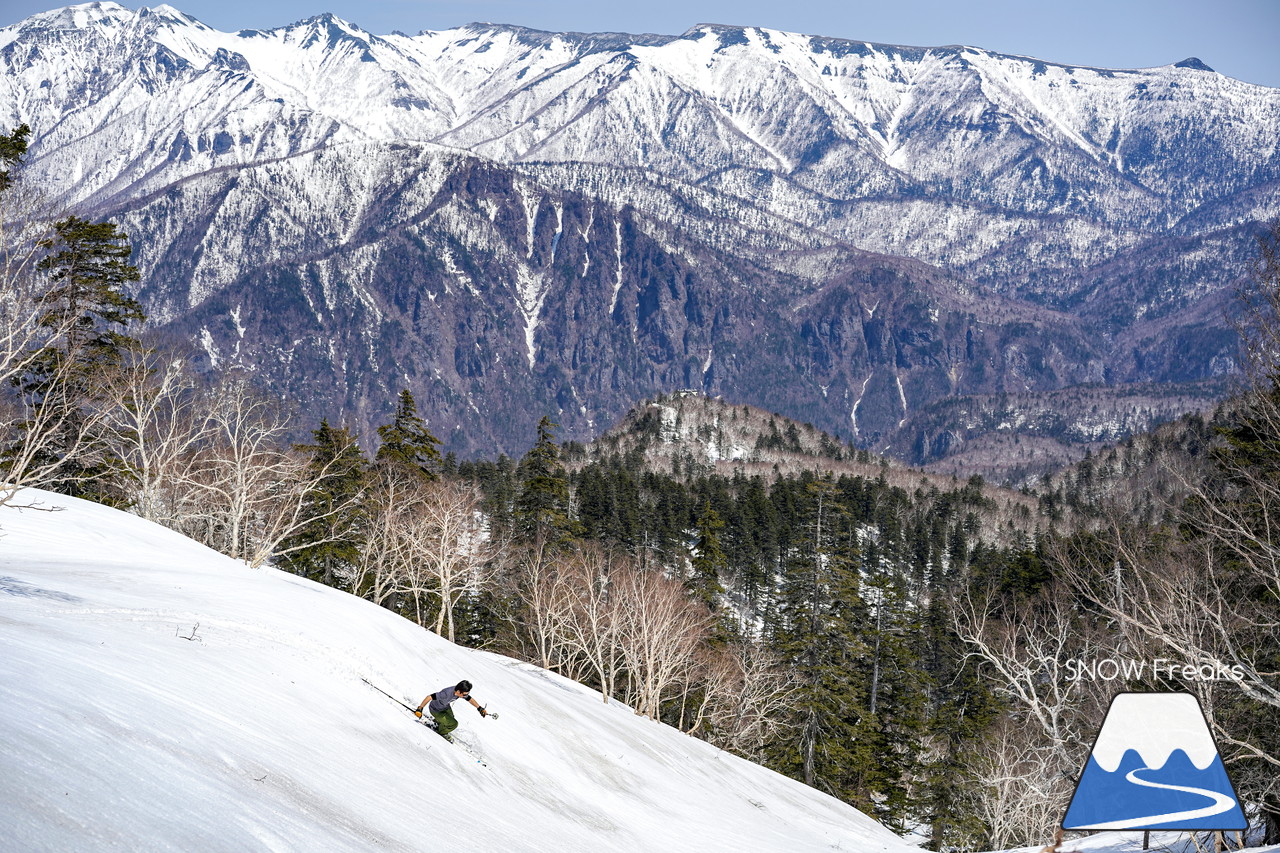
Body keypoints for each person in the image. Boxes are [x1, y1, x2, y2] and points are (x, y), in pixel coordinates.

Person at [415, 680, 487, 742]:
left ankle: (437, 722)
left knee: (451, 718)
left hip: (445, 707)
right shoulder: (446, 694)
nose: (466, 695)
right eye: (465, 694)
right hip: (436, 710)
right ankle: (441, 732)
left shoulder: (459, 692)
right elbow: (429, 697)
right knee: (453, 724)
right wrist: (420, 708)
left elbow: (470, 699)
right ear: (459, 691)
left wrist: (479, 708)